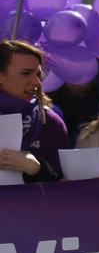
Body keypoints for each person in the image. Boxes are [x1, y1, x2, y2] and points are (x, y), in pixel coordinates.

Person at [0, 40, 69, 183]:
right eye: (26, 73)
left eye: (38, 74)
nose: (37, 82)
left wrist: (36, 169)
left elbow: (64, 189)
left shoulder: (50, 122)